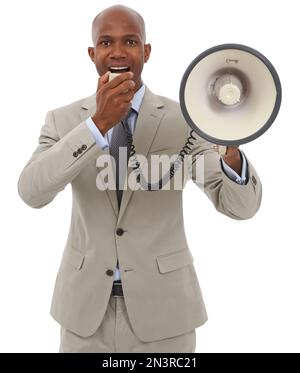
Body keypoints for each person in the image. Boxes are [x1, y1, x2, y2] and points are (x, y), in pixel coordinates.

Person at [17, 5, 262, 353]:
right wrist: (96, 126)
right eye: (106, 42)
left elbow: (241, 207)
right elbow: (31, 192)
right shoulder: (63, 121)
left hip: (166, 316)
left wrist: (231, 150)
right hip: (85, 318)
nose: (117, 52)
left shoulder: (186, 121)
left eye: (130, 41)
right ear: (92, 53)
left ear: (146, 51)